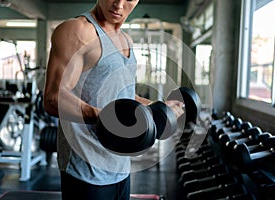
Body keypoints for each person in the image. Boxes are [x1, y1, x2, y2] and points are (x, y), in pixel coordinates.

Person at [43, 0, 184, 199]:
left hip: (121, 167)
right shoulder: (78, 31)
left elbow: (123, 95)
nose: (119, 4)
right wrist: (107, 118)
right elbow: (52, 98)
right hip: (86, 170)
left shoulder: (126, 40)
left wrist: (157, 106)